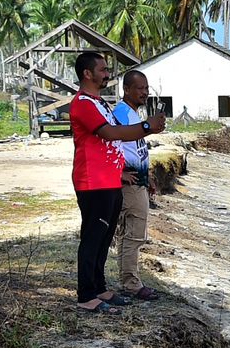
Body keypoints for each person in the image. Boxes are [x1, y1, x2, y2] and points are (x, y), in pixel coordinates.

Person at [70, 52, 165, 314]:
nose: (107, 73)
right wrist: (147, 127)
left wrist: (123, 171)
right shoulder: (82, 103)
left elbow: (115, 142)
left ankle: (99, 287)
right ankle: (86, 294)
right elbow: (110, 134)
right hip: (93, 182)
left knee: (104, 238)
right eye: (102, 69)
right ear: (87, 74)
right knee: (92, 238)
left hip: (109, 180)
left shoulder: (99, 103)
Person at [112, 70, 162, 301]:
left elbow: (136, 148)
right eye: (140, 88)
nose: (145, 92)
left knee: (130, 234)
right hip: (129, 183)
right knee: (134, 235)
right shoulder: (122, 112)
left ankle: (128, 280)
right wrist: (121, 172)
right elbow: (113, 142)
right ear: (127, 90)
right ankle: (131, 283)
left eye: (146, 87)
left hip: (138, 179)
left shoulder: (131, 114)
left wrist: (147, 175)